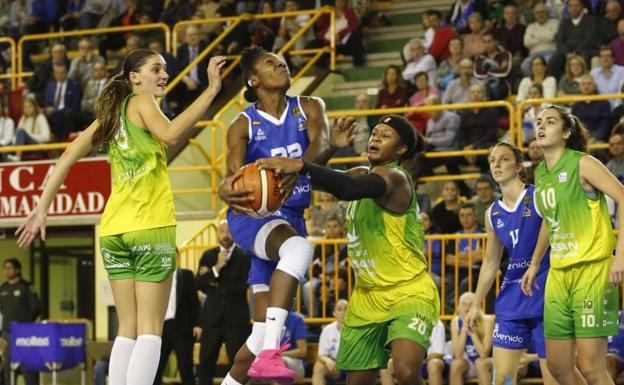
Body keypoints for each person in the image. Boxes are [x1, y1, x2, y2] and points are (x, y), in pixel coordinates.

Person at [16, 50, 227, 385]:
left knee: (126, 328)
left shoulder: (111, 116)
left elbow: (68, 154)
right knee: (150, 328)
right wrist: (212, 90)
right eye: (156, 69)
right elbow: (172, 134)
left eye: (165, 69)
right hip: (150, 227)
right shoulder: (142, 100)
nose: (163, 75)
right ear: (134, 77)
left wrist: (42, 207)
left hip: (114, 230)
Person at [256, 114, 440, 385]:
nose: (376, 137)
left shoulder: (395, 178)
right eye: (375, 132)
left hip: (408, 291)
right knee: (356, 381)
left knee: (405, 371)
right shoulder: (359, 173)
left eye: (385, 136)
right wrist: (330, 147)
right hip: (366, 296)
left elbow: (347, 188)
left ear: (400, 150)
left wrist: (299, 164)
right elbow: (309, 179)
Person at [216, 46, 354, 385]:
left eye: (282, 61)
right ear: (253, 79)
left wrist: (331, 147)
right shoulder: (242, 123)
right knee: (300, 251)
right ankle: (270, 357)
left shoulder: (309, 106)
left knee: (261, 332)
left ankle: (255, 361)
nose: (281, 65)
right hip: (253, 217)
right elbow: (233, 175)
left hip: (290, 219)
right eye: (270, 63)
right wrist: (224, 187)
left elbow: (319, 145)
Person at [521, 104, 624, 385]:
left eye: (550, 122)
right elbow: (548, 219)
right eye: (539, 122)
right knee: (557, 367)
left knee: (591, 367)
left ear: (566, 131)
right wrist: (533, 263)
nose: (541, 126)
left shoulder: (583, 163)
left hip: (592, 271)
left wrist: (620, 257)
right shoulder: (541, 172)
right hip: (558, 274)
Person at [464, 142, 561, 385]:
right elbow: (490, 262)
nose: (496, 164)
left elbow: (554, 232)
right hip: (512, 299)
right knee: (503, 380)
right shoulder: (492, 212)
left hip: (545, 294)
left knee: (554, 379)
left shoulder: (538, 195)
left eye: (503, 159)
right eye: (492, 160)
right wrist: (476, 304)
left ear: (518, 166)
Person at [196, 220, 251, 385]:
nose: (225, 235)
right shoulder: (208, 255)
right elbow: (198, 284)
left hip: (236, 320)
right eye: (222, 231)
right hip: (212, 319)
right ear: (217, 233)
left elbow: (242, 286)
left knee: (237, 364)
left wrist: (213, 282)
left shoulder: (244, 256)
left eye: (229, 231)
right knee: (205, 363)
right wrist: (217, 268)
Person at [153, 267, 202, 385]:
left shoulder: (186, 275)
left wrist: (197, 324)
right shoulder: (154, 275)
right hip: (160, 328)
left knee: (185, 367)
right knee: (155, 368)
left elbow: (194, 301)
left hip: (182, 327)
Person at [0, 258, 42, 385]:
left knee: (27, 366)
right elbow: (2, 309)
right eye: (5, 268)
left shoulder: (26, 287)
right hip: (7, 333)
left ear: (17, 270)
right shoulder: (3, 288)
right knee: (7, 365)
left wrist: (26, 325)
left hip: (24, 333)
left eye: (10, 268)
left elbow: (36, 308)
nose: (7, 271)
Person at [449, 292, 493, 385]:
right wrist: (465, 327)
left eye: (471, 304)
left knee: (480, 363)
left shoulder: (487, 320)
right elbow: (457, 355)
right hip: (468, 363)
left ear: (478, 306)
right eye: (464, 304)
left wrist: (472, 332)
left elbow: (484, 353)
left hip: (488, 362)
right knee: (456, 364)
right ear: (459, 307)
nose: (467, 307)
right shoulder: (456, 322)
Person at [312, 299, 348, 385]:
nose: (343, 312)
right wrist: (328, 361)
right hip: (335, 367)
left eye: (346, 309)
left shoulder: (358, 330)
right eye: (339, 309)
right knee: (319, 366)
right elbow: (321, 355)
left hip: (354, 366)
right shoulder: (327, 330)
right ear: (334, 313)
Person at [7, 96, 51, 162]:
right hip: (25, 148)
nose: (27, 109)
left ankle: (17, 156)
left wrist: (28, 136)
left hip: (38, 147)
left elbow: (46, 137)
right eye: (25, 107)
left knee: (21, 131)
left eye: (30, 106)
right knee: (5, 149)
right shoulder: (23, 118)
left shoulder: (40, 117)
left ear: (35, 107)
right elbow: (17, 135)